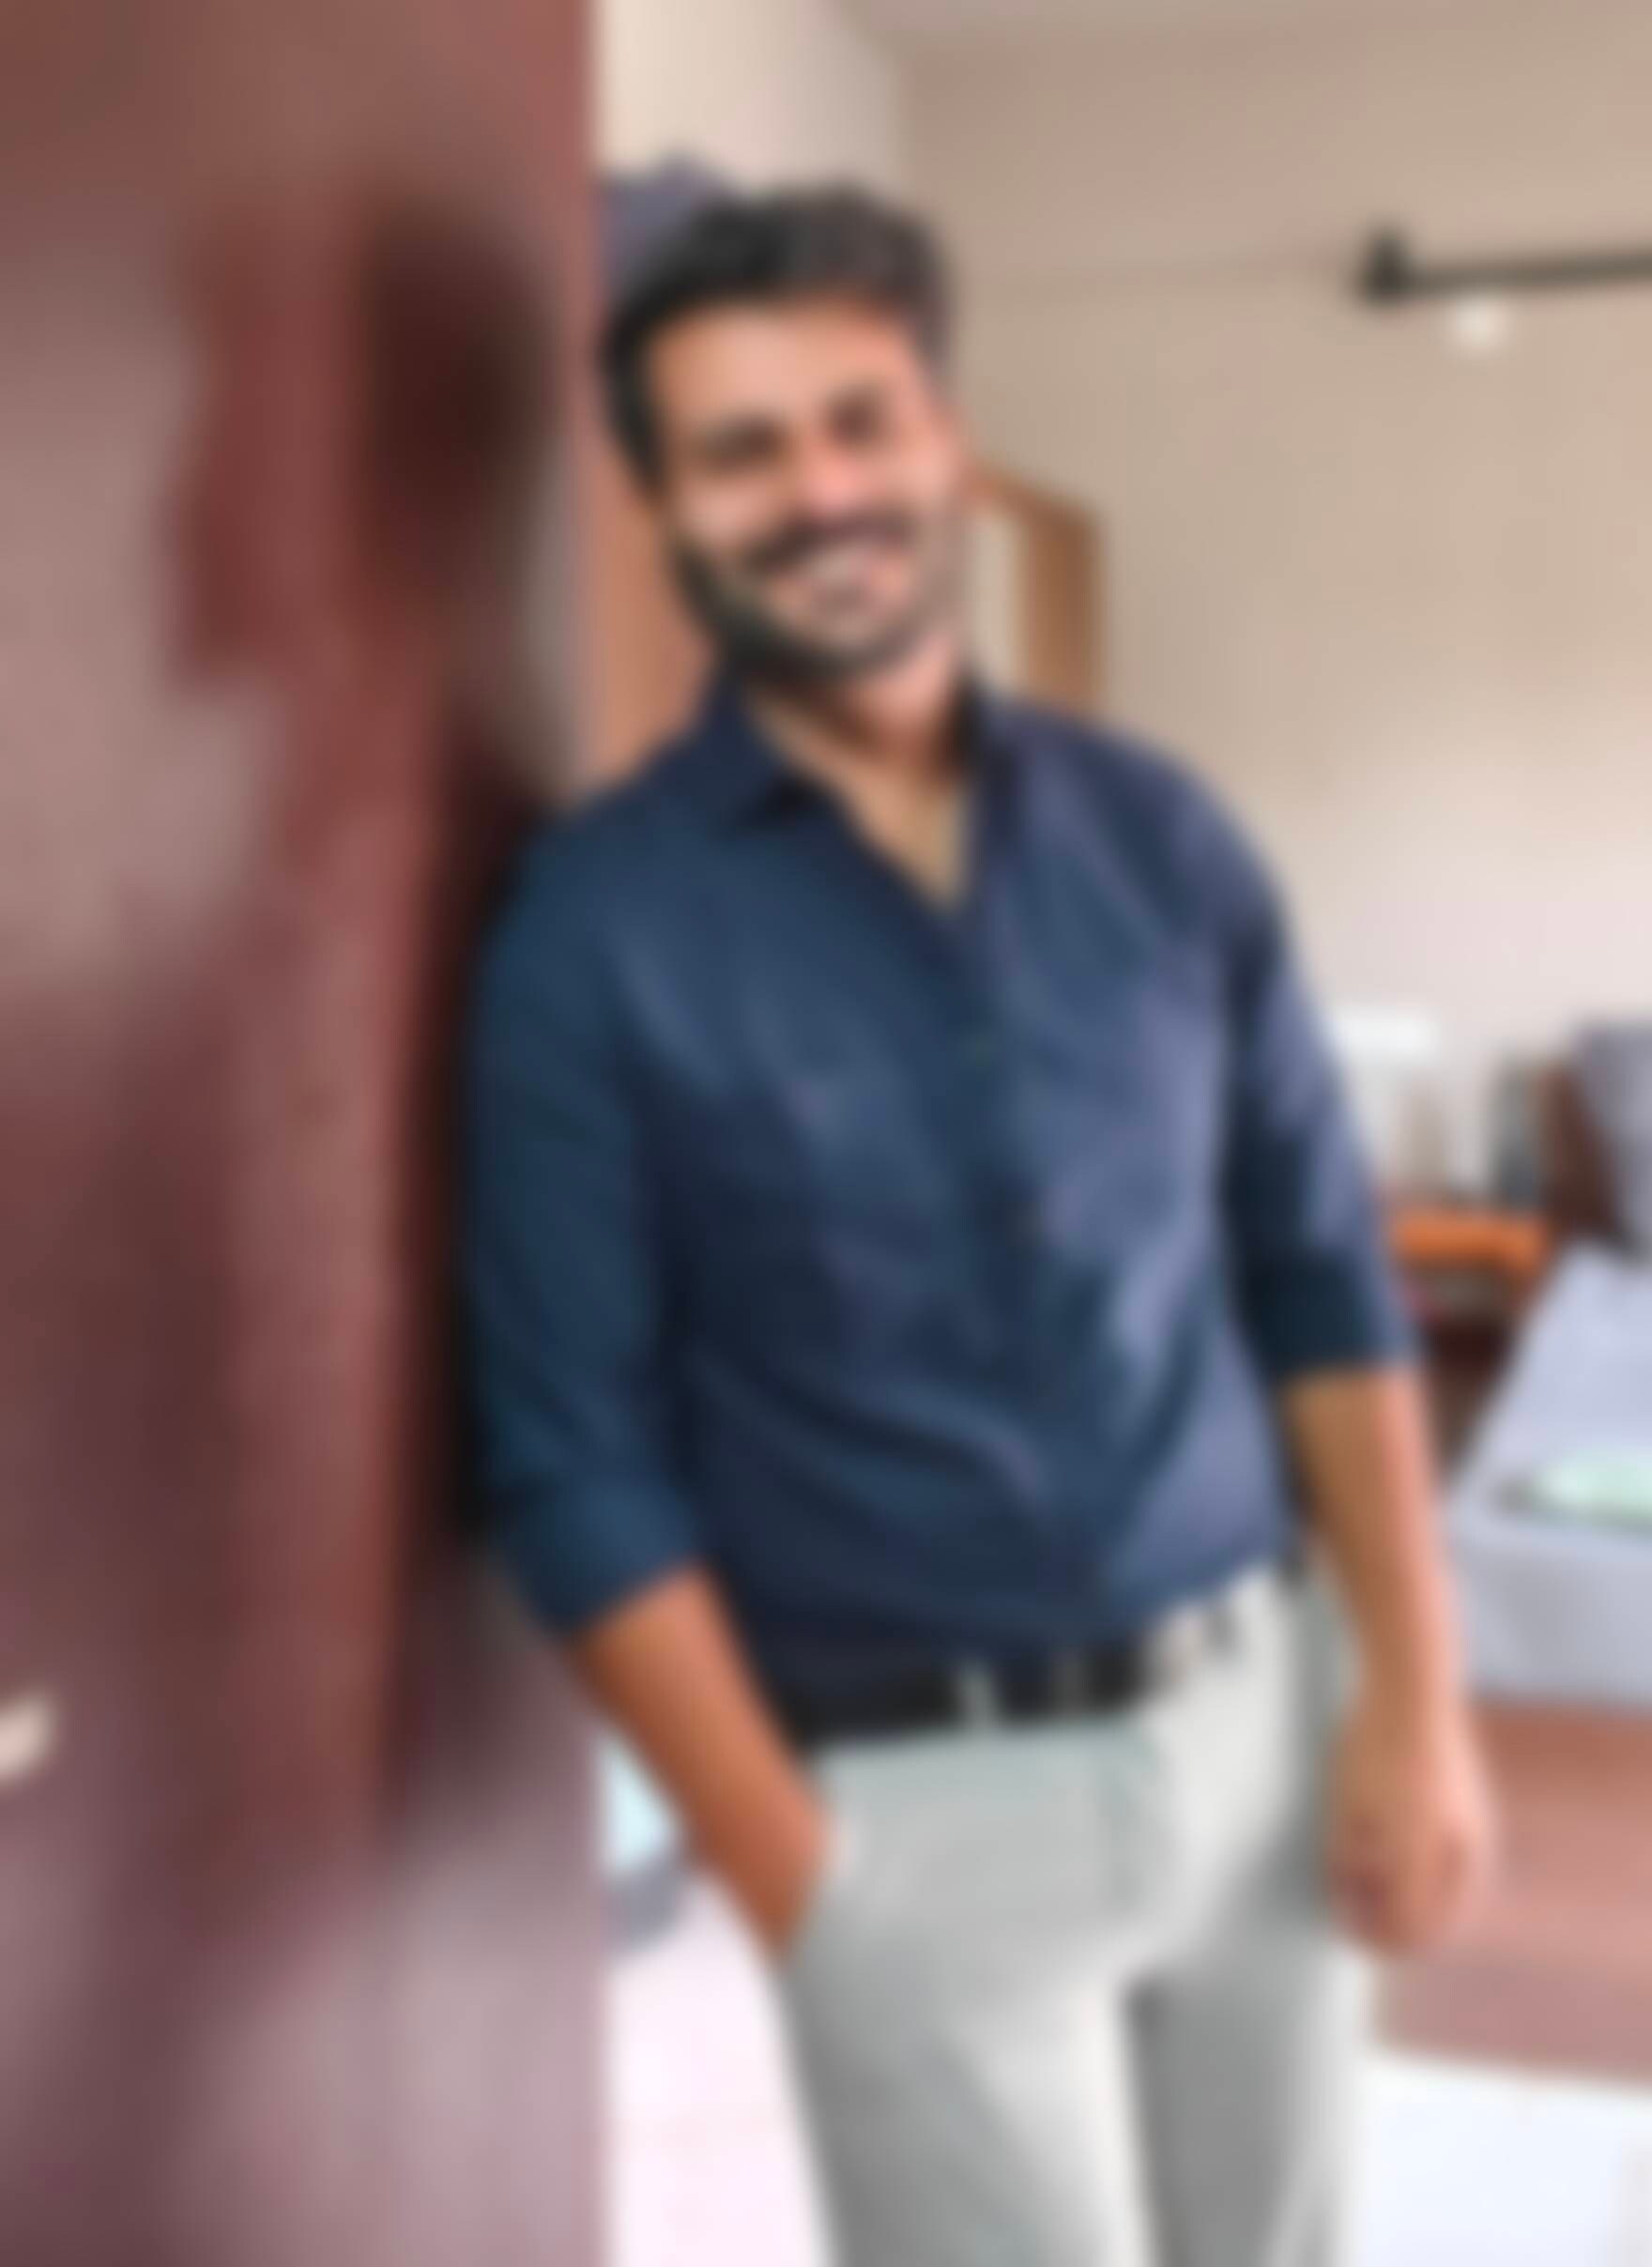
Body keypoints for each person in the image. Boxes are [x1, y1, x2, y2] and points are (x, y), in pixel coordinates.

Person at [464, 186, 1496, 2267]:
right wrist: (798, 1883)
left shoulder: (1164, 838)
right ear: (662, 505)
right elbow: (573, 1462)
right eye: (742, 450)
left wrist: (1415, 1693)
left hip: (1265, 1728)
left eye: (862, 421)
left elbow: (1319, 1277)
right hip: (916, 1815)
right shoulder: (593, 934)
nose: (820, 492)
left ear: (945, 439)